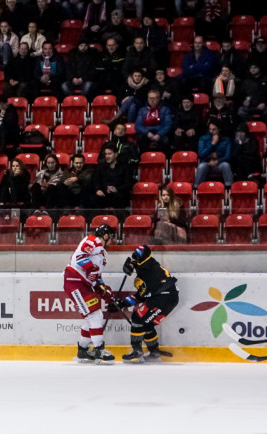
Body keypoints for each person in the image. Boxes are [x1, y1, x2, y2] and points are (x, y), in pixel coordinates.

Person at [64, 224, 117, 364]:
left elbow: (96, 278)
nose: (111, 242)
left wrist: (105, 291)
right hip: (75, 282)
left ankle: (83, 350)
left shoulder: (101, 254)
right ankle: (99, 349)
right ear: (106, 236)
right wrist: (91, 270)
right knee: (95, 315)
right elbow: (80, 258)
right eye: (111, 238)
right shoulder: (92, 241)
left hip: (83, 285)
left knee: (91, 317)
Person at [117, 245, 179, 362]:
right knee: (147, 324)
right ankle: (154, 352)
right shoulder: (148, 264)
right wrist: (133, 265)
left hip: (163, 298)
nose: (134, 258)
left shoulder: (147, 269)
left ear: (143, 258)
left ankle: (137, 350)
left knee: (137, 318)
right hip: (167, 296)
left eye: (137, 256)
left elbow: (140, 296)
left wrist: (122, 304)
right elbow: (140, 266)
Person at [195, 120, 233, 189]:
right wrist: (212, 144)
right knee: (201, 166)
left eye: (214, 129)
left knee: (226, 165)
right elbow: (201, 155)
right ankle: (197, 189)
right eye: (210, 129)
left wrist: (217, 161)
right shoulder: (203, 138)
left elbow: (228, 156)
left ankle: (229, 189)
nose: (211, 131)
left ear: (219, 129)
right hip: (207, 163)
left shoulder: (226, 140)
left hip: (220, 163)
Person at [92, 144, 132, 210]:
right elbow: (96, 180)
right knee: (93, 198)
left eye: (109, 154)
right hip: (104, 193)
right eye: (106, 154)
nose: (107, 156)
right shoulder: (100, 167)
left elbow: (128, 184)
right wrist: (98, 189)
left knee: (119, 197)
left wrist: (116, 189)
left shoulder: (125, 167)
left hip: (119, 193)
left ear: (116, 155)